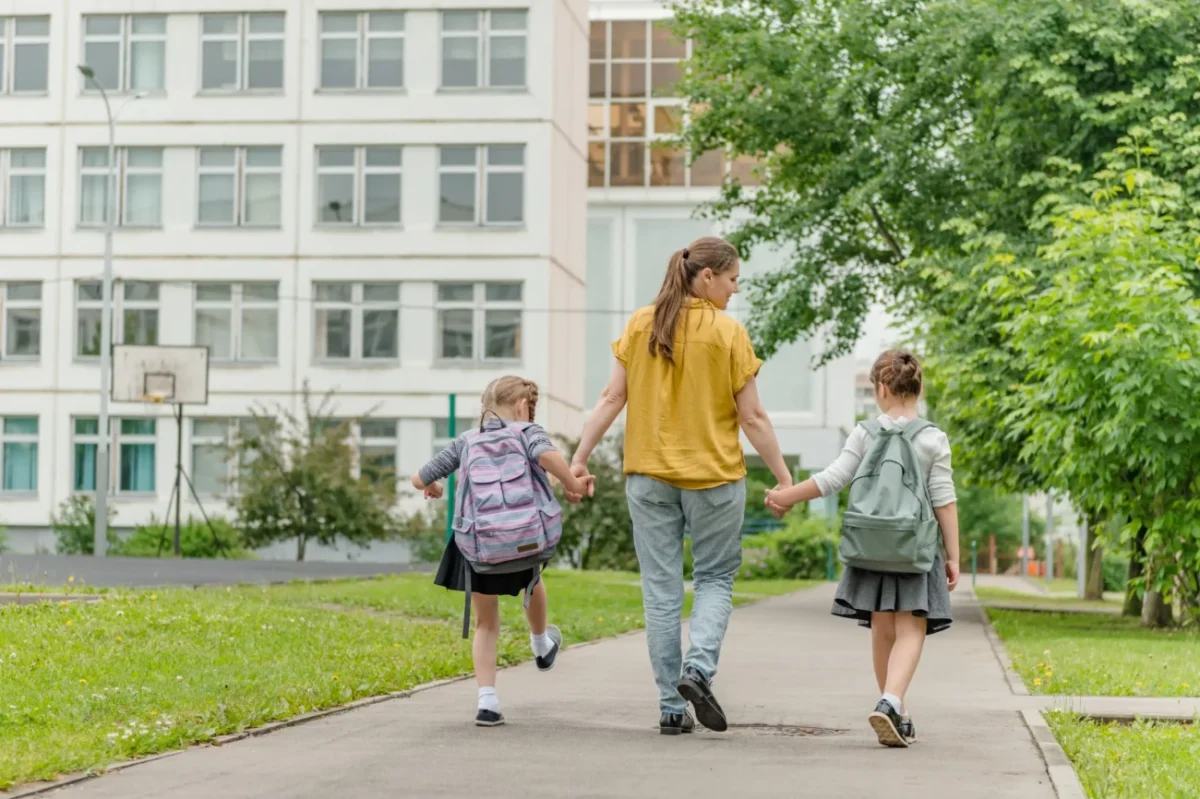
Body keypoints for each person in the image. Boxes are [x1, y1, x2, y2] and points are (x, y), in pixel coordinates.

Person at [570, 236, 792, 735]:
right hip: (714, 479)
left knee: (661, 590)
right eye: (733, 279)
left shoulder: (640, 323)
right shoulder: (729, 332)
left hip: (648, 477)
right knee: (714, 579)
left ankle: (672, 707)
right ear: (707, 276)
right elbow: (752, 416)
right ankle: (698, 669)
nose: (735, 290)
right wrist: (782, 477)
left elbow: (610, 396)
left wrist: (578, 459)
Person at [766, 349, 960, 748]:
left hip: (869, 541)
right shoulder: (932, 437)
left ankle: (896, 712)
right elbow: (944, 498)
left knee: (882, 626)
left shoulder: (865, 432)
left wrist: (787, 497)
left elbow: (833, 478)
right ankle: (891, 702)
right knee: (911, 626)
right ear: (918, 388)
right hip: (915, 544)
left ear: (881, 388)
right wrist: (953, 555)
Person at [412, 376, 594, 727]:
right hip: (524, 538)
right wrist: (572, 485)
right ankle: (541, 643)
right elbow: (548, 456)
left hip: (480, 546)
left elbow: (420, 477)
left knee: (486, 623)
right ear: (524, 407)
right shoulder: (527, 432)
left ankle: (488, 702)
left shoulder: (466, 441)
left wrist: (434, 486)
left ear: (485, 408)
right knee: (533, 581)